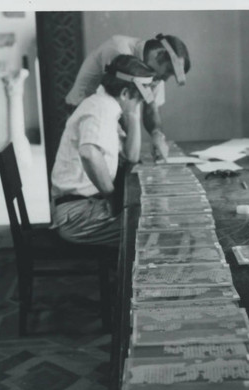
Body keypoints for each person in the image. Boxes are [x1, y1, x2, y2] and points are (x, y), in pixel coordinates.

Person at [50, 55, 156, 247]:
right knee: (154, 230)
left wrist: (133, 113)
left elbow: (132, 155)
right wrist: (110, 195)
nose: (138, 104)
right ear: (124, 93)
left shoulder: (106, 106)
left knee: (151, 222)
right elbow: (88, 152)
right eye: (138, 99)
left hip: (82, 207)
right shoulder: (101, 108)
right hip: (76, 213)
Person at [66, 33, 191, 161]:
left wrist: (157, 134)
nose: (165, 79)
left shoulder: (156, 72)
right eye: (168, 71)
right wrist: (131, 151)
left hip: (112, 119)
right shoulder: (118, 50)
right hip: (85, 118)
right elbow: (125, 107)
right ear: (158, 55)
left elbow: (151, 106)